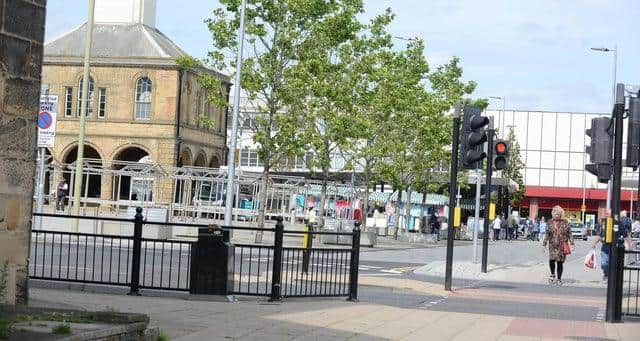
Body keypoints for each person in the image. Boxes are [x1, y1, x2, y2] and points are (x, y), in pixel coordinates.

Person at [542, 205, 575, 285]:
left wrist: (572, 243)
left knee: (560, 262)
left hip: (562, 245)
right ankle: (552, 274)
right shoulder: (549, 222)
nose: (557, 215)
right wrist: (544, 244)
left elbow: (569, 233)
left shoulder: (565, 222)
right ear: (553, 214)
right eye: (556, 214)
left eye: (559, 214)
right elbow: (547, 234)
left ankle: (559, 278)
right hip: (553, 245)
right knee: (552, 260)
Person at [592, 214, 631, 281]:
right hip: (605, 247)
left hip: (615, 247)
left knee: (613, 263)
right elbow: (600, 235)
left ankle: (611, 277)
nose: (607, 215)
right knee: (604, 263)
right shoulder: (604, 223)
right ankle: (606, 274)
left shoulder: (619, 224)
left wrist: (629, 245)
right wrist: (594, 243)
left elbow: (625, 235)